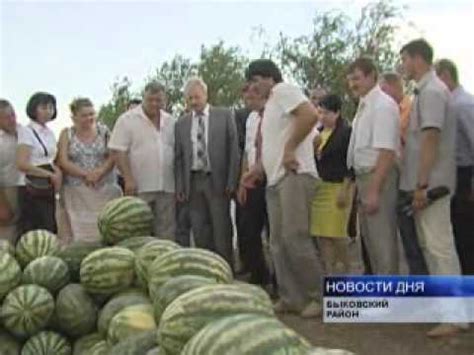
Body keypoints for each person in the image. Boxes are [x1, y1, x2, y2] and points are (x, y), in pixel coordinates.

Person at [243, 59, 323, 318]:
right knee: (276, 242)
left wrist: (290, 149)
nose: (253, 87)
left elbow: (310, 115)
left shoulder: (283, 91)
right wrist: (256, 169)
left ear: (269, 78)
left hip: (294, 174)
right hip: (275, 179)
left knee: (295, 238)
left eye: (256, 80)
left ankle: (320, 297)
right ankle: (291, 297)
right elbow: (271, 145)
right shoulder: (271, 106)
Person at [400, 39, 466, 337]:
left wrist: (422, 184)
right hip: (428, 183)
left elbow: (430, 139)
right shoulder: (429, 90)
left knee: (440, 248)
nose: (402, 65)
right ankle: (447, 311)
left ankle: (457, 316)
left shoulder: (432, 91)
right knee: (432, 246)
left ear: (417, 59)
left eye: (404, 59)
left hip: (432, 184)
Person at [175, 77, 240, 265]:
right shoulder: (182, 123)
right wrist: (181, 185)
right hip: (193, 183)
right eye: (189, 99)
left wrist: (231, 181)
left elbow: (233, 151)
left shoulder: (225, 115)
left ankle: (227, 270)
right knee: (200, 230)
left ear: (205, 94)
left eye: (196, 97)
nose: (193, 102)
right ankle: (206, 270)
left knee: (222, 229)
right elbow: (179, 158)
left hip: (217, 181)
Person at [346, 57, 400, 275]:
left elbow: (386, 151)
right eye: (350, 80)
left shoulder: (382, 105)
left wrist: (375, 190)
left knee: (382, 242)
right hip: (363, 178)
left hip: (377, 176)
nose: (353, 84)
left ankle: (392, 301)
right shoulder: (364, 106)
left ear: (371, 76)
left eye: (357, 78)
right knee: (371, 244)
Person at [109, 82, 176, 239]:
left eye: (158, 100)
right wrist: (128, 178)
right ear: (143, 98)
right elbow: (118, 150)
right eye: (150, 100)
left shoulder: (171, 121)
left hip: (167, 186)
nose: (154, 104)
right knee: (139, 231)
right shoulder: (127, 120)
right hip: (139, 187)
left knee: (166, 232)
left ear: (164, 100)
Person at [380, 72, 429, 275]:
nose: (382, 95)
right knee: (408, 238)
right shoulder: (393, 111)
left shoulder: (408, 110)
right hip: (401, 178)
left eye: (384, 90)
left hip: (413, 178)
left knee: (419, 239)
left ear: (394, 87)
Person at [57, 98, 121, 243]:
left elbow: (113, 156)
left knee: (105, 228)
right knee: (79, 232)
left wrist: (99, 172)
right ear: (74, 117)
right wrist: (86, 174)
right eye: (84, 115)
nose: (89, 118)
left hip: (104, 188)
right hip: (76, 190)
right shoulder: (66, 134)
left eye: (92, 114)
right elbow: (63, 161)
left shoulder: (104, 132)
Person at [435, 58, 474, 275]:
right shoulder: (452, 105)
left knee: (467, 237)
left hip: (466, 175)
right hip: (455, 177)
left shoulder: (464, 104)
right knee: (459, 235)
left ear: (446, 76)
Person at [311, 94, 353, 275]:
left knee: (337, 234)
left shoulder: (345, 133)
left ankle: (346, 269)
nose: (322, 117)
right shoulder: (317, 133)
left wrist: (346, 188)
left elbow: (350, 163)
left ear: (337, 113)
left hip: (338, 187)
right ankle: (329, 272)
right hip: (320, 187)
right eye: (319, 112)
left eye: (326, 113)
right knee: (323, 235)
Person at [236, 83, 270, 286]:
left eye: (251, 98)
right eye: (245, 99)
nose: (248, 102)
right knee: (248, 230)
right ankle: (259, 275)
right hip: (252, 180)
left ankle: (280, 279)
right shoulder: (250, 119)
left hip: (271, 177)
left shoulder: (274, 115)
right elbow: (247, 153)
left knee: (274, 234)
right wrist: (242, 181)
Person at [16, 92, 62, 234]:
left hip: (48, 187)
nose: (48, 111)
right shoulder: (26, 131)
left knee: (50, 227)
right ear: (34, 109)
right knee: (35, 229)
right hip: (32, 186)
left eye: (51, 107)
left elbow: (51, 158)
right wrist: (49, 174)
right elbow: (22, 164)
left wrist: (57, 172)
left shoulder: (50, 133)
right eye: (43, 107)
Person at [0, 100, 24, 243]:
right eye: (6, 117)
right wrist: (2, 205)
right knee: (7, 238)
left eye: (13, 115)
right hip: (7, 191)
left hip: (27, 190)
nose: (12, 120)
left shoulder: (24, 132)